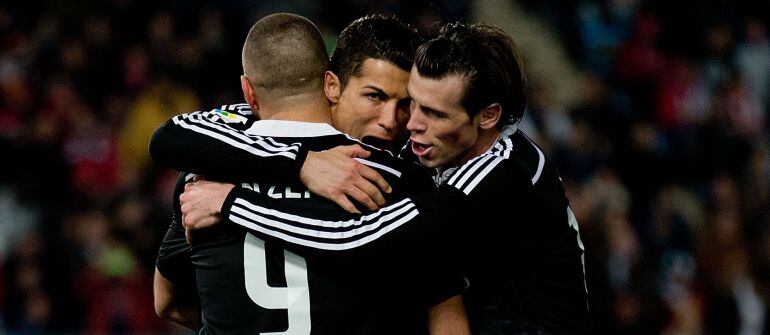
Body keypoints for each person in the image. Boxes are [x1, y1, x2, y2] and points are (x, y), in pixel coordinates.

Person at [180, 22, 593, 334]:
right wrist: (296, 162)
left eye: (433, 114)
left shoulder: (491, 179)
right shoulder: (440, 152)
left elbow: (353, 237)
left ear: (488, 117)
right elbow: (171, 138)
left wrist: (233, 203)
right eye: (414, 103)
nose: (408, 125)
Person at [151, 13, 469, 334]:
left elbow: (167, 302)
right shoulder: (392, 181)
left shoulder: (201, 180)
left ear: (249, 91)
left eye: (406, 104)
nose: (391, 120)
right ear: (331, 84)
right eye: (375, 96)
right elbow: (445, 313)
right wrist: (302, 163)